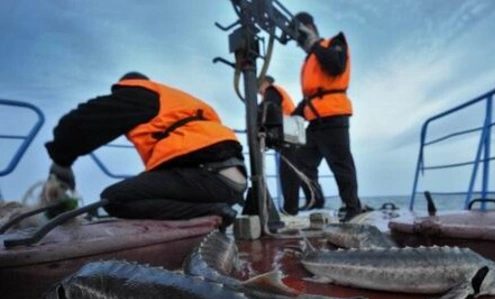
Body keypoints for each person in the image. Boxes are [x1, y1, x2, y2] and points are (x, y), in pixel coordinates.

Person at [45, 72, 246, 228]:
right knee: (141, 187)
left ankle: (212, 211)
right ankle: (216, 207)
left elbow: (79, 123)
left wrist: (61, 160)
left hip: (208, 178)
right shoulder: (178, 104)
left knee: (115, 199)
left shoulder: (140, 94)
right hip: (232, 182)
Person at [292, 11, 362, 222]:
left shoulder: (334, 42)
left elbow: (336, 66)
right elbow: (309, 97)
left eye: (301, 37)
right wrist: (290, 116)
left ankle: (352, 206)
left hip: (333, 116)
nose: (300, 44)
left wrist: (314, 44)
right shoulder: (310, 58)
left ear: (310, 28)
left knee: (340, 163)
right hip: (314, 121)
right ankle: (316, 200)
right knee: (302, 163)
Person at [257, 75, 303, 216]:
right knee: (289, 172)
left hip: (288, 135)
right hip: (291, 135)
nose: (258, 92)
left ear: (265, 83)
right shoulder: (276, 92)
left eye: (259, 87)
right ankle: (291, 207)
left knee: (288, 174)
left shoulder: (271, 91)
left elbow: (267, 109)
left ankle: (290, 209)